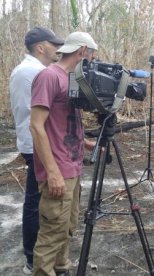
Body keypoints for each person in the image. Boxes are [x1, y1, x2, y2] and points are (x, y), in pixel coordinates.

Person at [30, 31, 98, 276]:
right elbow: (36, 125)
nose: (91, 59)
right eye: (91, 54)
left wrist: (84, 142)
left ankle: (61, 269)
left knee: (67, 226)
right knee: (51, 233)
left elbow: (62, 123)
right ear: (82, 51)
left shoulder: (73, 80)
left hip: (73, 166)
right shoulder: (49, 76)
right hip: (57, 169)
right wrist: (52, 172)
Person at [9, 27, 64, 275]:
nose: (58, 49)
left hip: (32, 142)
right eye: (54, 44)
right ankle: (32, 257)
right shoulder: (34, 72)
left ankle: (35, 253)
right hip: (37, 144)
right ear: (41, 47)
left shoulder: (27, 70)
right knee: (35, 201)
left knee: (36, 200)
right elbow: (37, 118)